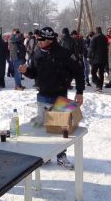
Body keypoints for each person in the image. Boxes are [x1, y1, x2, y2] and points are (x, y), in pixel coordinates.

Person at [19, 27, 84, 170]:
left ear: (49, 40)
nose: (38, 42)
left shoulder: (65, 53)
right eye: (38, 39)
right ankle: (46, 155)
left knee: (61, 130)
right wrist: (26, 71)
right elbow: (34, 73)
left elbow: (79, 72)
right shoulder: (36, 53)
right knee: (42, 129)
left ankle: (61, 156)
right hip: (42, 97)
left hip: (60, 98)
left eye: (41, 40)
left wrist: (80, 92)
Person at [88, 27, 108, 93]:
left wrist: (89, 56)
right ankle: (100, 87)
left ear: (96, 31)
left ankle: (98, 84)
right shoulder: (105, 37)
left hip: (95, 59)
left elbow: (91, 48)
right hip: (104, 58)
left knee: (93, 72)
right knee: (101, 73)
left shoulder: (94, 37)